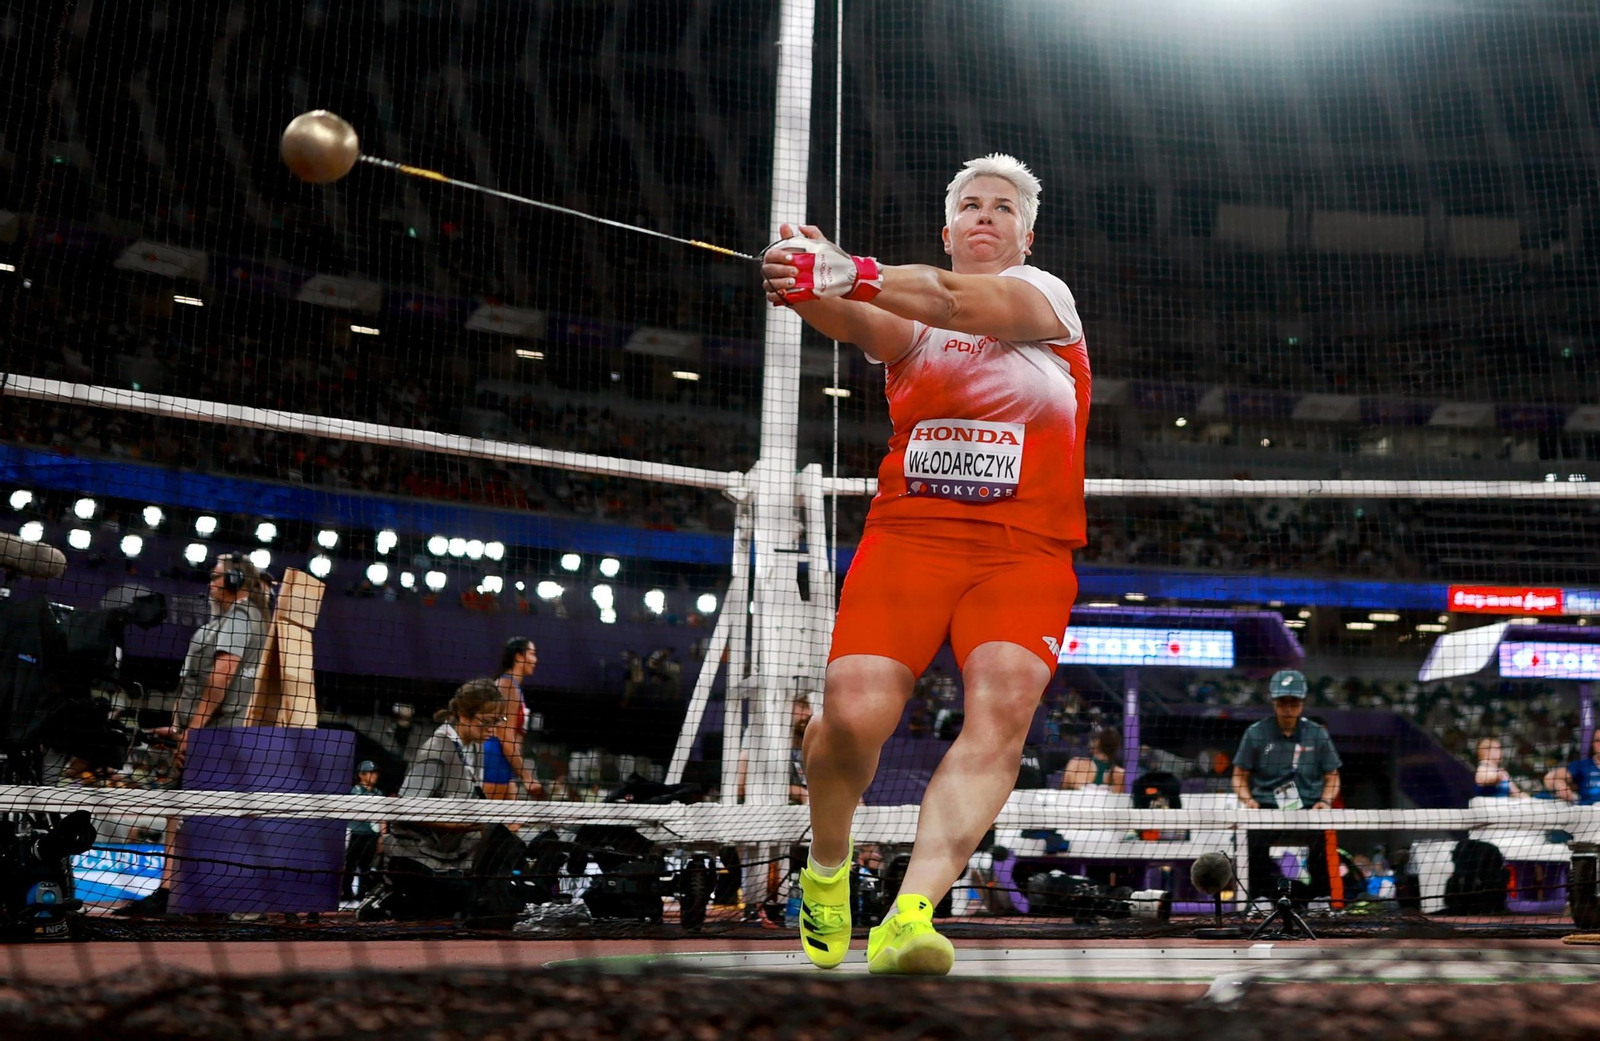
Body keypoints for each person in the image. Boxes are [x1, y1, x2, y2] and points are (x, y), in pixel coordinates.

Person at [761, 153, 1089, 975]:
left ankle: (911, 914)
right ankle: (827, 870)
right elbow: (863, 319)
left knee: (1005, 706)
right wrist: (810, 285)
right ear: (947, 231)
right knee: (853, 715)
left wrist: (852, 269)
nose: (986, 215)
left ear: (1026, 233)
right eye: (971, 206)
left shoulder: (1048, 300)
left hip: (1025, 551)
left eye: (1002, 208)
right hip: (911, 538)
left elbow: (953, 299)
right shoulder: (911, 318)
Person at [115, 552, 271, 916]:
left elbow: (221, 679)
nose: (210, 582)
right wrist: (180, 725)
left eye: (217, 576)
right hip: (210, 732)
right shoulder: (227, 621)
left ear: (235, 581)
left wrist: (194, 730)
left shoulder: (242, 619)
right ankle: (175, 892)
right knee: (183, 812)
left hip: (218, 736)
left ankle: (185, 895)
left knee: (199, 815)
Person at [374, 679, 526, 922]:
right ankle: (385, 895)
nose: (493, 728)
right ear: (464, 715)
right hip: (415, 857)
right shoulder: (436, 752)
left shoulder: (473, 748)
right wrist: (469, 825)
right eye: (487, 721)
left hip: (451, 859)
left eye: (498, 721)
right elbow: (405, 812)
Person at [1232, 670, 1343, 906]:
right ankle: (1259, 897)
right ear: (1274, 701)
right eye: (1283, 701)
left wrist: (1325, 802)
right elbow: (1239, 776)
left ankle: (1320, 897)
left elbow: (1332, 776)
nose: (1288, 707)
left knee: (1324, 841)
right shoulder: (1255, 733)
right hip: (1266, 809)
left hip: (1309, 810)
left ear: (1302, 703)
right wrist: (1248, 800)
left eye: (1294, 701)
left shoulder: (1317, 734)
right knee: (1252, 840)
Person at [482, 637, 543, 801]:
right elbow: (505, 736)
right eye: (532, 654)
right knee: (483, 821)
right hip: (495, 756)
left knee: (513, 822)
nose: (535, 660)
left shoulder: (512, 686)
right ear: (518, 656)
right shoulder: (506, 685)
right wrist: (526, 776)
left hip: (504, 759)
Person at [737, 693, 813, 805]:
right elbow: (741, 785)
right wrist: (798, 792)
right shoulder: (762, 731)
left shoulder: (810, 735)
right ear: (787, 706)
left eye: (809, 708)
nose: (808, 713)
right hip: (768, 810)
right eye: (802, 707)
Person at [342, 760, 385, 903]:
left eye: (376, 773)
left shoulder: (379, 793)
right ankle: (346, 892)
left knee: (366, 866)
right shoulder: (354, 792)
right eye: (371, 773)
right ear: (362, 775)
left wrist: (382, 836)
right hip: (355, 833)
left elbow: (382, 817)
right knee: (350, 864)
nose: (375, 776)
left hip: (371, 835)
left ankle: (362, 895)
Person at [1545, 730, 1600, 805]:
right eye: (1597, 740)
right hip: (1589, 810)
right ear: (1593, 744)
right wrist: (1560, 784)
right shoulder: (1582, 765)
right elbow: (1554, 777)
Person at [1061, 727, 1125, 792]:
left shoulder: (1075, 764)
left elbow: (1063, 790)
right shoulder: (1121, 774)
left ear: (1097, 742)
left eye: (1093, 739)